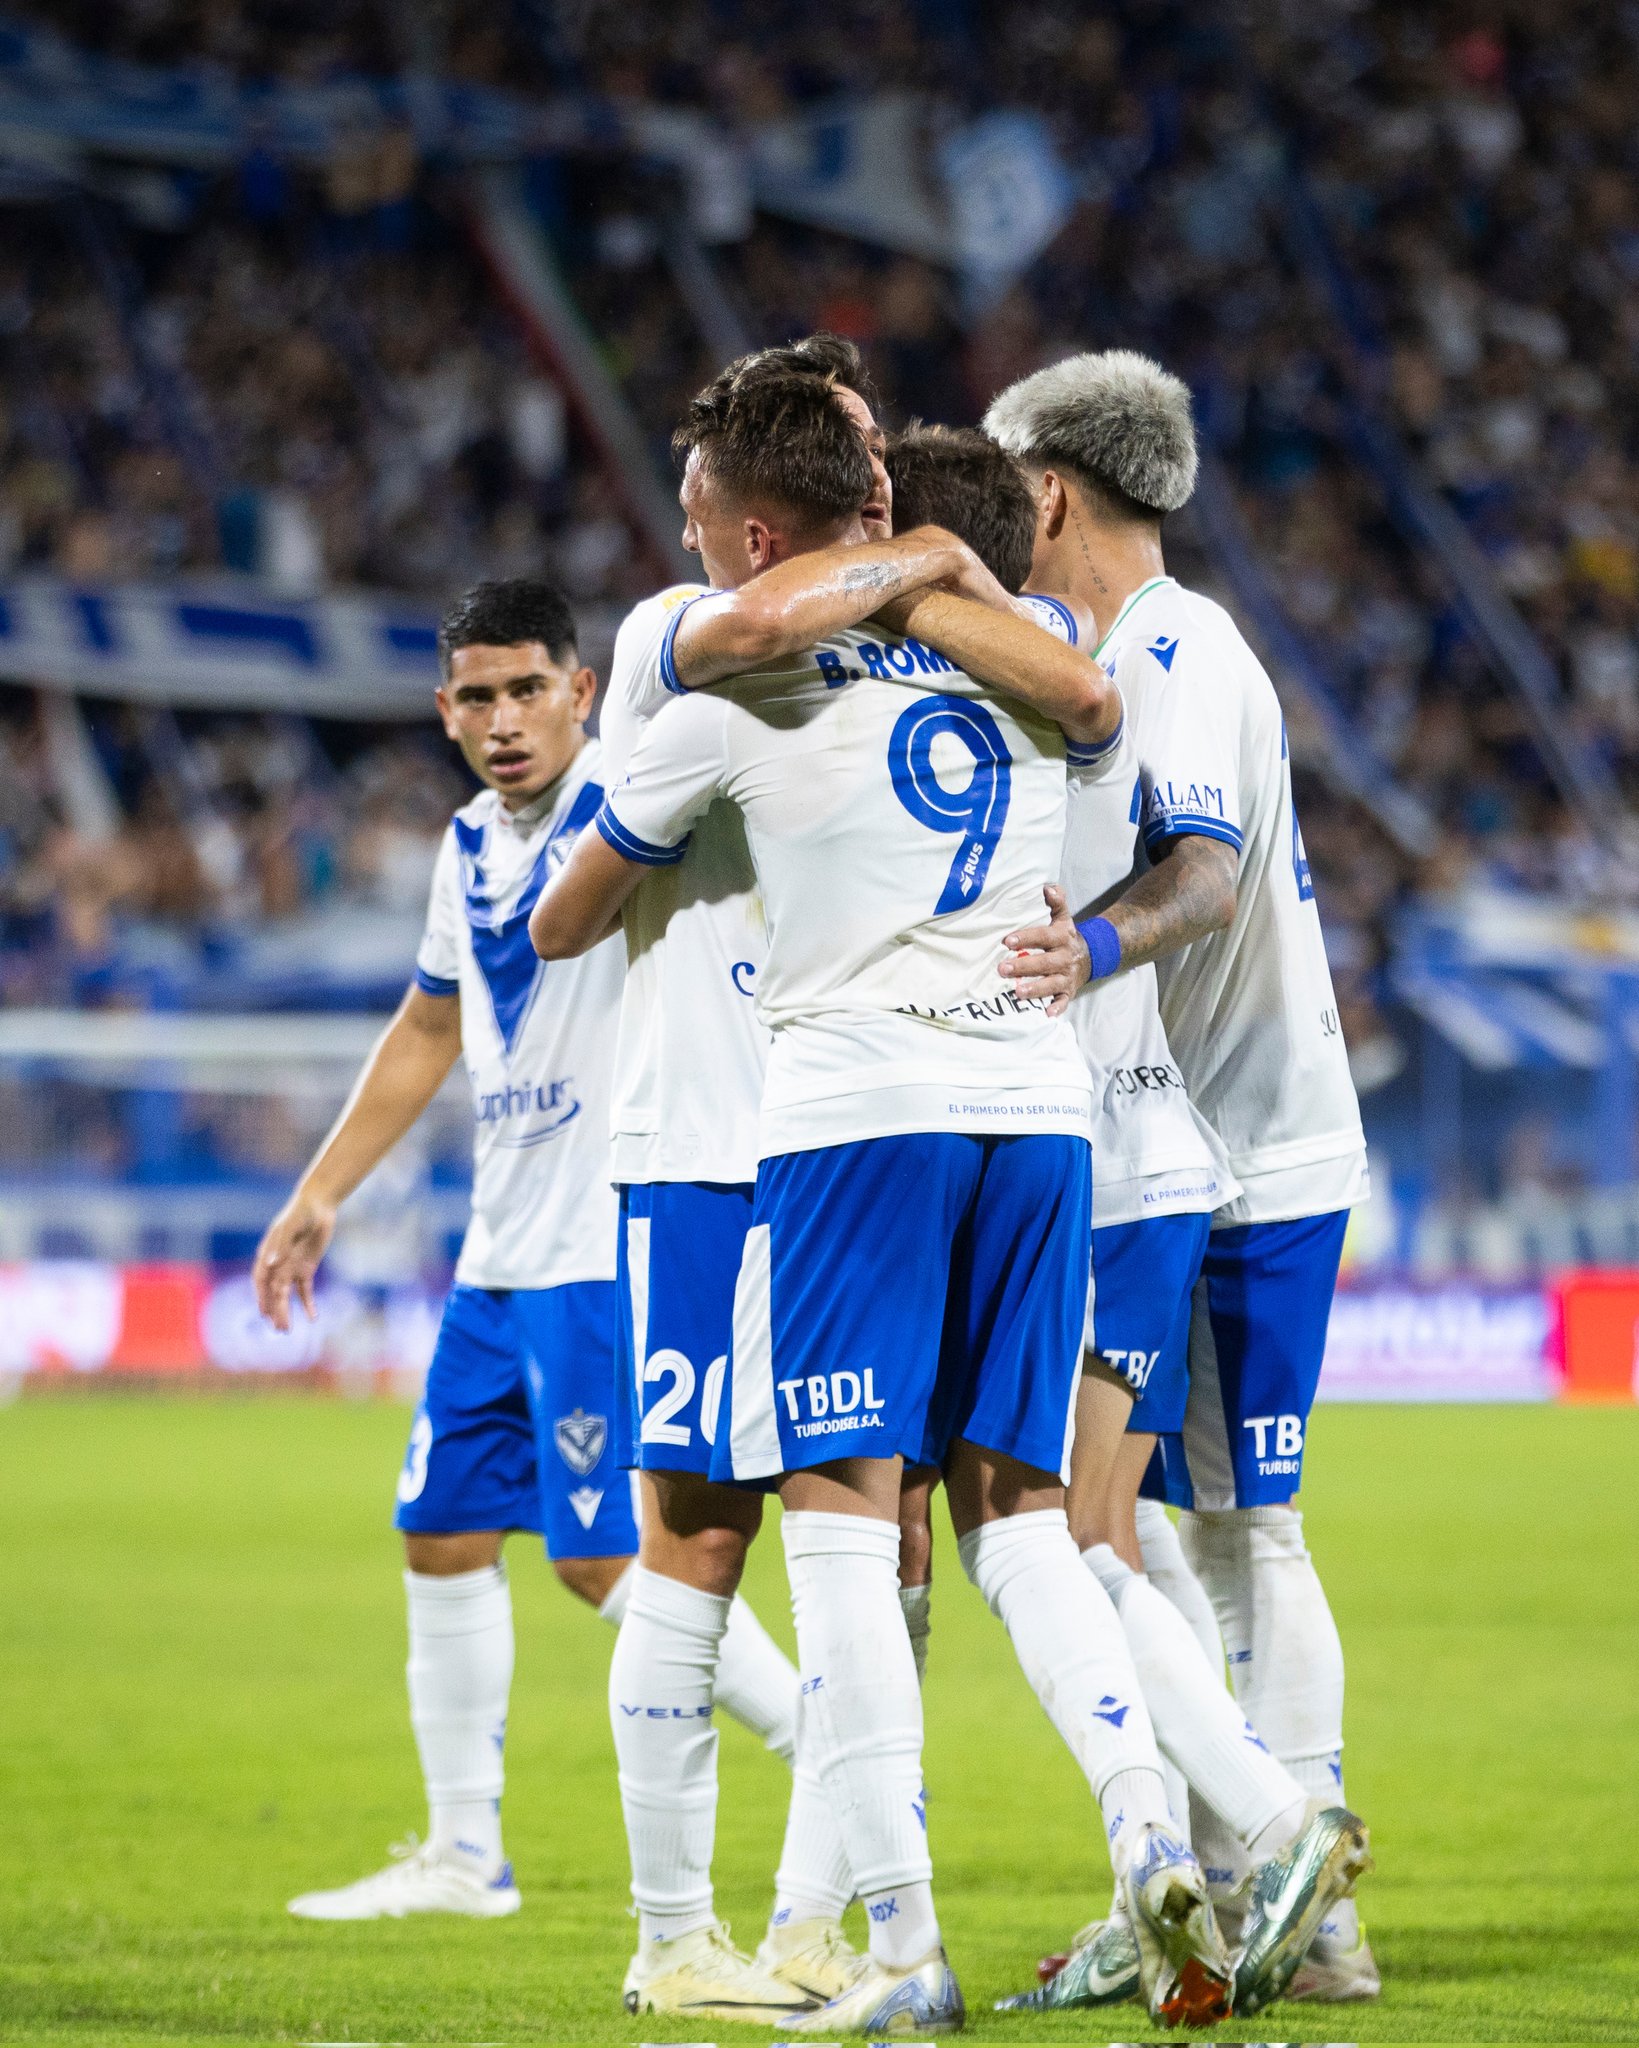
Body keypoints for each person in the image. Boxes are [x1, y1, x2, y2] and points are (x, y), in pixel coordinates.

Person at [533, 365, 1249, 2036]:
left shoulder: (724, 687)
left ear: (748, 524)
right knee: (1015, 1521)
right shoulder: (995, 674)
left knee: (825, 1535)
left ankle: (890, 1942)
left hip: (834, 1127)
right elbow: (1089, 704)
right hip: (1036, 1117)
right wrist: (940, 570)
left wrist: (910, 565)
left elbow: (565, 916)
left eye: (706, 514)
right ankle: (1153, 1835)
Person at [885, 423, 1373, 2018]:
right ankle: (1189, 1893)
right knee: (1126, 1532)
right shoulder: (1092, 669)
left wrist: (1083, 958)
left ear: (1050, 500)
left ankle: (1274, 1838)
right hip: (1152, 1151)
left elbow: (1205, 874)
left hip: (1138, 1161)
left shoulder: (1108, 665)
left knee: (1086, 1533)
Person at [253, 579, 804, 1924]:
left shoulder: (646, 799)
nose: (504, 722)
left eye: (527, 691)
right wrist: (323, 1187)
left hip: (607, 1241)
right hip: (502, 1251)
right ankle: (464, 1855)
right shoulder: (465, 846)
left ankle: (823, 1746)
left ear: (579, 690)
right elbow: (430, 1029)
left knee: (607, 1555)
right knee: (440, 1531)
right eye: (477, 698)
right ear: (445, 712)